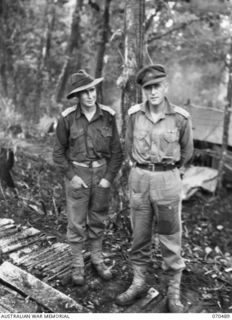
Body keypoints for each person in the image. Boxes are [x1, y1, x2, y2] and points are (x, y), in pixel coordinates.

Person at [116, 64, 193, 312]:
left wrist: (171, 174)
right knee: (139, 234)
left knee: (170, 236)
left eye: (156, 86)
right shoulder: (134, 115)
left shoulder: (180, 118)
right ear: (144, 91)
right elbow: (128, 146)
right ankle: (138, 282)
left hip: (167, 179)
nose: (153, 92)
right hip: (139, 179)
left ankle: (173, 292)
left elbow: (187, 152)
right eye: (148, 88)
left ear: (165, 87)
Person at [53, 70, 123, 286]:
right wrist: (72, 176)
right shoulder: (67, 119)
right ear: (78, 97)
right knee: (76, 222)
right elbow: (58, 152)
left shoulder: (108, 116)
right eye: (84, 93)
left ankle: (97, 258)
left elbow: (117, 152)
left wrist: (108, 178)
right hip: (78, 175)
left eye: (92, 90)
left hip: (101, 174)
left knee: (98, 218)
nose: (90, 96)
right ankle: (77, 264)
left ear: (96, 90)